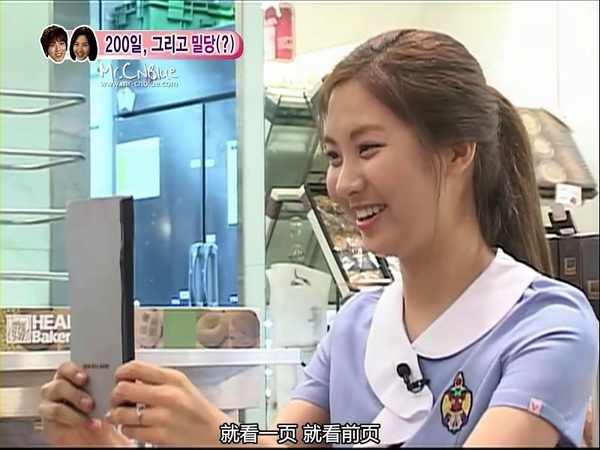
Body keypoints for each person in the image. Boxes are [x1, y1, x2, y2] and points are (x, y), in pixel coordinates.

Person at [39, 29, 598, 447]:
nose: (344, 183)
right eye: (333, 156)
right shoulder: (358, 327)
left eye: (368, 148)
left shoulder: (547, 327)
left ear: (456, 152)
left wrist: (219, 439)